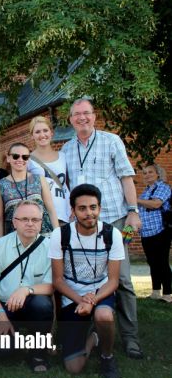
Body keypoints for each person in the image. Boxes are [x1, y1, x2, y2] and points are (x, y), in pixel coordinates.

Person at [61, 97, 143, 359]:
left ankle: (130, 338)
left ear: (94, 116)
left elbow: (126, 177)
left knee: (123, 280)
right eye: (77, 114)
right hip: (82, 224)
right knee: (84, 276)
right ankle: (90, 332)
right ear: (70, 120)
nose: (82, 118)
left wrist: (133, 211)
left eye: (86, 113)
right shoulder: (66, 149)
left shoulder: (112, 141)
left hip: (114, 219)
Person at [49, 184, 123, 378]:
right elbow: (57, 280)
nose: (89, 213)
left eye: (93, 207)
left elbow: (113, 281)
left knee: (104, 315)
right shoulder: (60, 234)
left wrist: (92, 300)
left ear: (100, 208)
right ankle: (95, 337)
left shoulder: (112, 234)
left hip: (100, 291)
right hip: (72, 294)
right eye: (82, 208)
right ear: (73, 211)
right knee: (73, 368)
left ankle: (107, 357)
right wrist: (80, 300)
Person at [0, 200, 54, 372]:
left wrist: (26, 290)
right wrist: (1, 316)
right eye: (24, 219)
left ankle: (38, 354)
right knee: (2, 351)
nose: (30, 223)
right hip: (3, 306)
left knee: (43, 304)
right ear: (14, 222)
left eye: (35, 219)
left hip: (32, 304)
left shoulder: (50, 248)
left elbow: (52, 286)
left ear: (41, 222)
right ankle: (13, 338)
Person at [0, 142, 58, 237]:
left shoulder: (39, 179)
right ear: (8, 158)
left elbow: (51, 210)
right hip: (15, 238)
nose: (20, 160)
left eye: (25, 157)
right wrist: (0, 241)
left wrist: (58, 235)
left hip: (44, 236)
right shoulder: (0, 185)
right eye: (16, 156)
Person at [137, 164, 171, 302]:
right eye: (145, 173)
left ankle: (168, 294)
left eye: (150, 172)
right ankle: (156, 292)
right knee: (152, 262)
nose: (147, 175)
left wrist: (135, 200)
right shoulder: (145, 191)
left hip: (160, 230)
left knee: (162, 262)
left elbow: (156, 204)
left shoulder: (163, 187)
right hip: (146, 233)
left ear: (158, 174)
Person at [28, 116, 71, 224]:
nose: (42, 135)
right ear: (32, 136)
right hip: (42, 218)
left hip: (65, 214)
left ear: (51, 132)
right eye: (37, 132)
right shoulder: (28, 160)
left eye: (45, 130)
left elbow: (68, 184)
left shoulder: (63, 156)